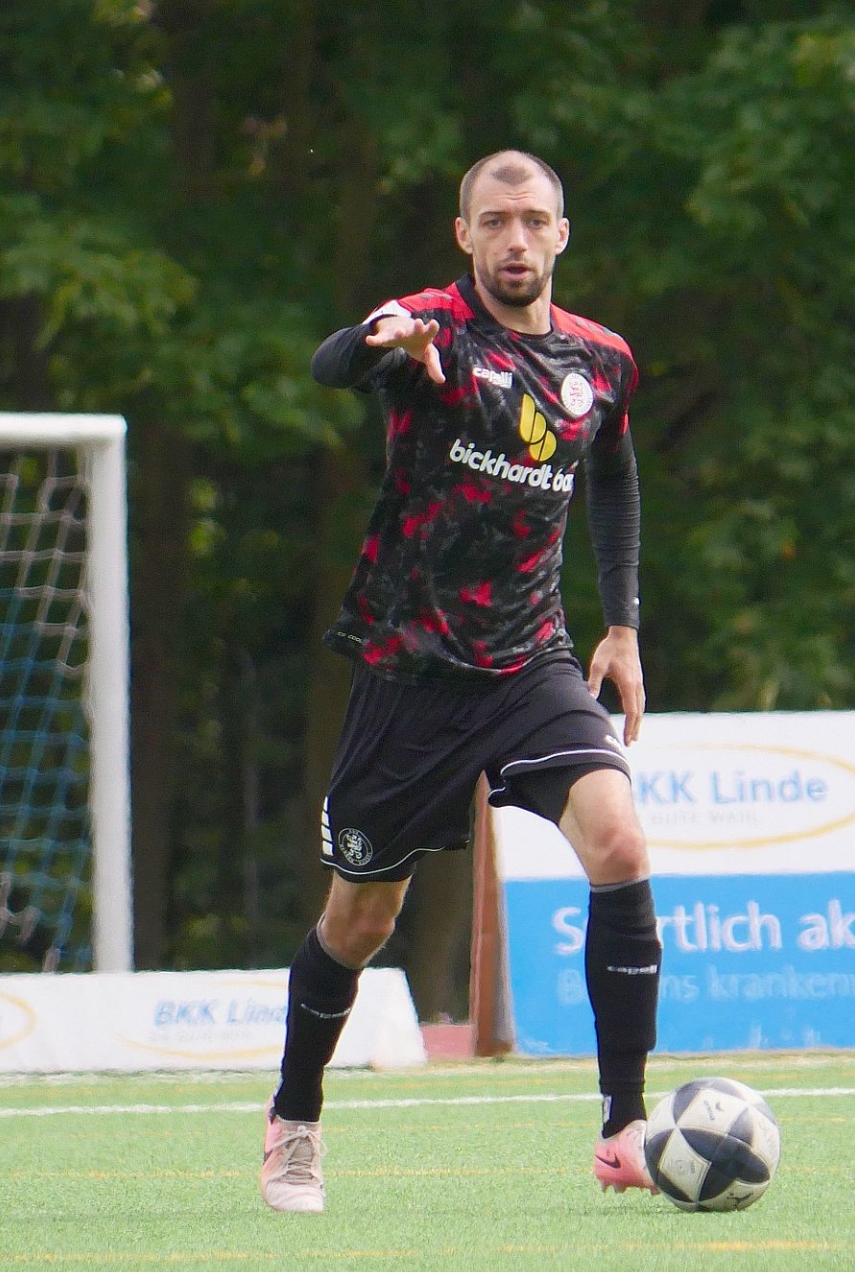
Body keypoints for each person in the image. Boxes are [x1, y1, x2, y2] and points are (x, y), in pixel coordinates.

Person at [260, 149, 662, 1212]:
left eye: (533, 220)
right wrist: (382, 342)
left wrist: (622, 625)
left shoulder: (602, 360)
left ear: (561, 233)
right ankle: (295, 1117)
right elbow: (334, 364)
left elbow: (614, 473)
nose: (514, 239)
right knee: (360, 922)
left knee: (619, 842)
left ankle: (624, 1127)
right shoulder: (432, 328)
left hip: (532, 660)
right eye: (494, 220)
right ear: (464, 234)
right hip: (410, 671)